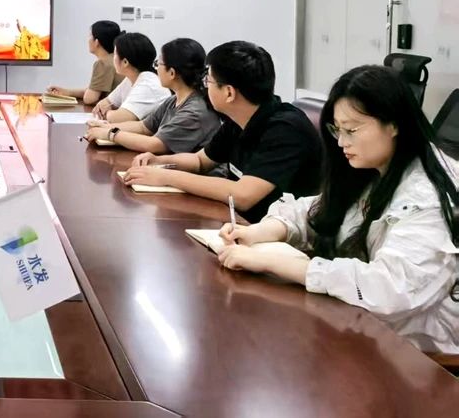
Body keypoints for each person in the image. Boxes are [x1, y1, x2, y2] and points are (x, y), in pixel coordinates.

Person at [216, 65, 459, 355]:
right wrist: (263, 231)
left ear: (394, 125)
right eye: (337, 130)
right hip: (360, 326)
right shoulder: (377, 165)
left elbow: (389, 289)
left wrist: (274, 263)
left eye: (352, 130)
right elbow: (320, 210)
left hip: (417, 352)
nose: (342, 142)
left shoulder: (428, 195)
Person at [124, 41, 322, 223]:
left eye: (208, 81)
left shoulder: (285, 129)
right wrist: (159, 162)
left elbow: (243, 196)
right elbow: (200, 161)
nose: (204, 86)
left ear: (229, 92)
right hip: (240, 224)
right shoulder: (238, 119)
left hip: (278, 237)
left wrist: (165, 177)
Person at [86, 38, 220, 153]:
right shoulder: (173, 100)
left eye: (158, 64)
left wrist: (111, 133)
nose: (156, 69)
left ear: (172, 73)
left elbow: (155, 144)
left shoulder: (194, 111)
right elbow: (144, 127)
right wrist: (104, 127)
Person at [89, 32, 169, 123]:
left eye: (115, 54)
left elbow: (118, 118)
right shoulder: (131, 78)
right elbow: (107, 102)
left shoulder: (148, 84)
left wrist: (105, 112)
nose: (113, 58)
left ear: (125, 62)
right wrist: (103, 108)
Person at [46, 20, 123, 105]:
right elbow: (93, 91)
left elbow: (89, 98)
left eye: (90, 36)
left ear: (96, 42)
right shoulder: (114, 59)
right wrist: (67, 92)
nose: (88, 40)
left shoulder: (102, 63)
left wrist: (73, 93)